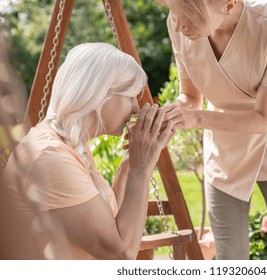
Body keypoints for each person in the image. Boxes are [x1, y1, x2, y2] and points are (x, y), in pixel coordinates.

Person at [160, 0, 267, 259]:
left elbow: (263, 118)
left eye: (188, 15)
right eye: (173, 11)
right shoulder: (178, 24)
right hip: (224, 146)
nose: (178, 24)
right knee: (229, 257)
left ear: (229, 5)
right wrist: (170, 115)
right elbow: (189, 96)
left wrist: (197, 119)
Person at [3, 42, 174, 259]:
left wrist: (130, 163)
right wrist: (141, 169)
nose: (136, 108)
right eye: (130, 97)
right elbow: (119, 254)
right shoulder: (51, 156)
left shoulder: (69, 145)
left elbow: (110, 225)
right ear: (99, 94)